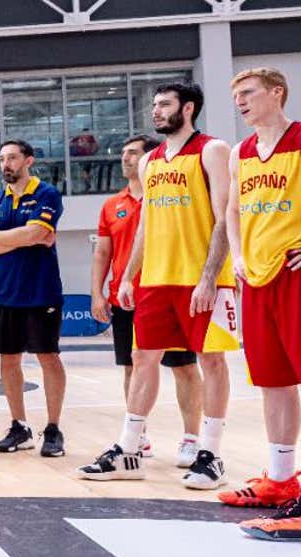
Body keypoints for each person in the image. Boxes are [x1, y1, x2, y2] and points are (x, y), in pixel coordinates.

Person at [78, 83, 237, 489]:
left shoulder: (212, 150)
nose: (156, 110)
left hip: (202, 279)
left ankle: (211, 453)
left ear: (188, 108)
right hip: (156, 279)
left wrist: (208, 276)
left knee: (211, 361)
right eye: (153, 104)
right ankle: (129, 449)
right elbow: (147, 223)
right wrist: (129, 274)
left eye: (164, 104)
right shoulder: (150, 161)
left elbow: (223, 217)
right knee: (142, 357)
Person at [219, 69, 301, 535]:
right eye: (236, 96)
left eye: (248, 93)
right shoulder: (240, 153)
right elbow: (231, 210)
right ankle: (281, 479)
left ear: (276, 93)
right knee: (273, 381)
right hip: (258, 276)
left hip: (295, 271)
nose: (241, 102)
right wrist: (239, 254)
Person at [89, 134, 203, 466]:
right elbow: (103, 253)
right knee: (133, 367)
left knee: (184, 367)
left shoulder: (175, 195)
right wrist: (97, 292)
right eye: (123, 153)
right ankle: (137, 437)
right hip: (127, 297)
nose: (125, 159)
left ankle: (192, 439)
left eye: (133, 153)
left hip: (170, 289)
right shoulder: (112, 205)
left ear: (150, 158)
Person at [0, 140, 67, 457]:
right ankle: (20, 426)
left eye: (12, 158)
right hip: (3, 292)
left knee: (48, 358)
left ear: (28, 160)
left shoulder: (47, 194)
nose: (6, 164)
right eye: (2, 159)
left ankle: (53, 429)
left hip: (41, 292)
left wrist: (0, 238)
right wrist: (26, 237)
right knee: (8, 361)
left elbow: (34, 234)